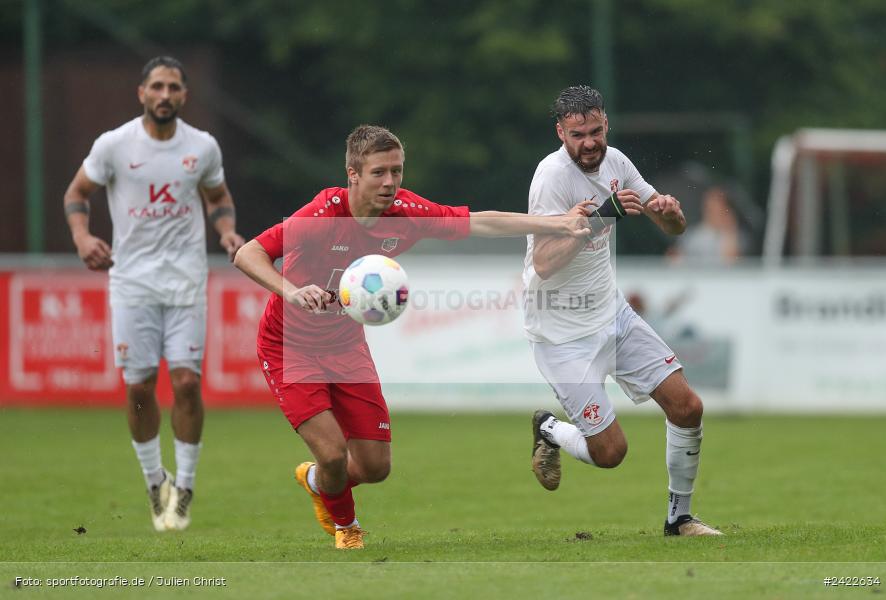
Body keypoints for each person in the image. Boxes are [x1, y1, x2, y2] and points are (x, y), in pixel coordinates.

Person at [233, 124, 591, 549]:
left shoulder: (407, 213)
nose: (390, 182)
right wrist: (291, 292)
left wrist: (558, 224)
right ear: (353, 174)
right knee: (332, 452)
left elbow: (481, 222)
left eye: (397, 171)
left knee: (375, 467)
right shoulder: (323, 216)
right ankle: (348, 528)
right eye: (378, 173)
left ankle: (316, 481)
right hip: (290, 346)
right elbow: (247, 252)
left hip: (345, 345)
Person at [525, 85, 722, 536]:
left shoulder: (617, 162)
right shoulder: (551, 177)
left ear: (606, 124)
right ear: (560, 133)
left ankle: (679, 519)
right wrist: (600, 217)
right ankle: (550, 428)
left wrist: (668, 211)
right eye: (578, 135)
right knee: (611, 453)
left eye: (595, 131)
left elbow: (673, 227)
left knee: (687, 407)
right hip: (561, 334)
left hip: (612, 316)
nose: (589, 143)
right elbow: (544, 263)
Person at [63, 56, 244, 532]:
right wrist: (82, 238)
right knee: (140, 386)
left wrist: (226, 232)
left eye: (174, 87)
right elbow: (76, 194)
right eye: (157, 86)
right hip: (132, 282)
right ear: (141, 92)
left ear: (184, 95)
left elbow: (218, 198)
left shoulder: (202, 147)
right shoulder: (114, 145)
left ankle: (184, 487)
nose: (165, 95)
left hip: (186, 280)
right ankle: (153, 481)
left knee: (185, 382)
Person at [666, 186, 745, 265]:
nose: (713, 212)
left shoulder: (737, 236)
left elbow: (731, 264)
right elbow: (675, 260)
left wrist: (730, 229)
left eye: (718, 207)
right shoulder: (692, 234)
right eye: (710, 208)